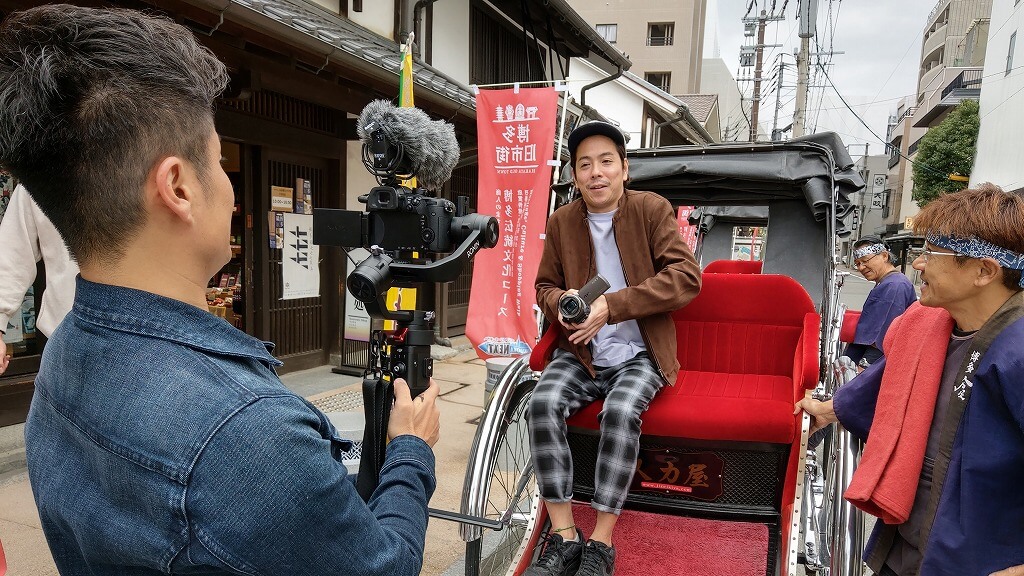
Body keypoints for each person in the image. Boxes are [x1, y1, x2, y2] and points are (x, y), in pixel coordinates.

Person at [0, 6, 440, 575]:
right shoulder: (244, 431)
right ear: (178, 186)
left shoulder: (62, 357)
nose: (231, 188)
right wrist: (411, 453)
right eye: (218, 159)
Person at [797, 184, 1024, 576]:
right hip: (908, 537)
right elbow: (887, 382)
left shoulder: (1017, 351)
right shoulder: (932, 325)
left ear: (984, 271)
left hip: (978, 557)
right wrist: (830, 409)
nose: (918, 265)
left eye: (931, 254)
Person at [527, 121, 701, 576]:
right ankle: (564, 535)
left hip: (641, 351)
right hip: (582, 353)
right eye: (585, 164)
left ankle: (601, 541)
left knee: (621, 412)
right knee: (541, 402)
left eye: (606, 162)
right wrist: (560, 308)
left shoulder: (650, 210)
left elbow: (686, 277)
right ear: (575, 174)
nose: (596, 172)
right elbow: (544, 285)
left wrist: (612, 306)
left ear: (625, 169)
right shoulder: (562, 220)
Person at [0, 185, 78, 374]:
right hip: (65, 344)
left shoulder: (151, 164)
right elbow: (12, 256)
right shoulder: (42, 170)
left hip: (151, 342)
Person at [845, 236, 916, 369]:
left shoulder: (895, 285)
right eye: (858, 263)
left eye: (865, 261)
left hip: (873, 363)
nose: (861, 267)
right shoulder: (888, 282)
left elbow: (882, 335)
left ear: (884, 256)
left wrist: (864, 367)